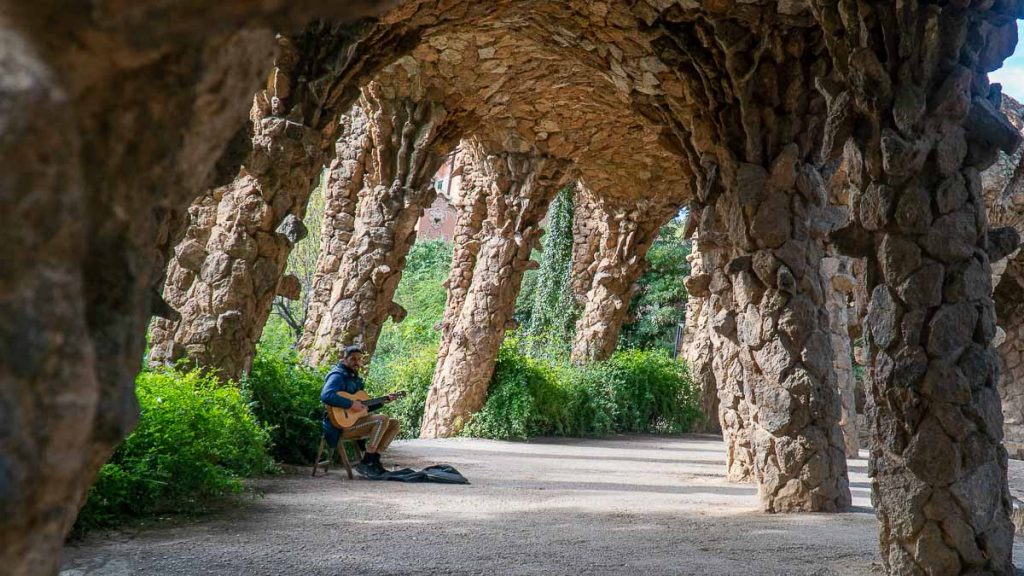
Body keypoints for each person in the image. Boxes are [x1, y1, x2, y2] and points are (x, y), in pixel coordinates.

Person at [320, 345, 401, 477]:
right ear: (344, 360)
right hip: (339, 427)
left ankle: (374, 459)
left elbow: (363, 408)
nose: (356, 362)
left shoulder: (355, 379)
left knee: (394, 423)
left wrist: (383, 401)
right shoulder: (337, 375)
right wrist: (351, 404)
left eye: (359, 359)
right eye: (352, 359)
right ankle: (367, 461)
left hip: (355, 422)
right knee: (382, 419)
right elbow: (326, 395)